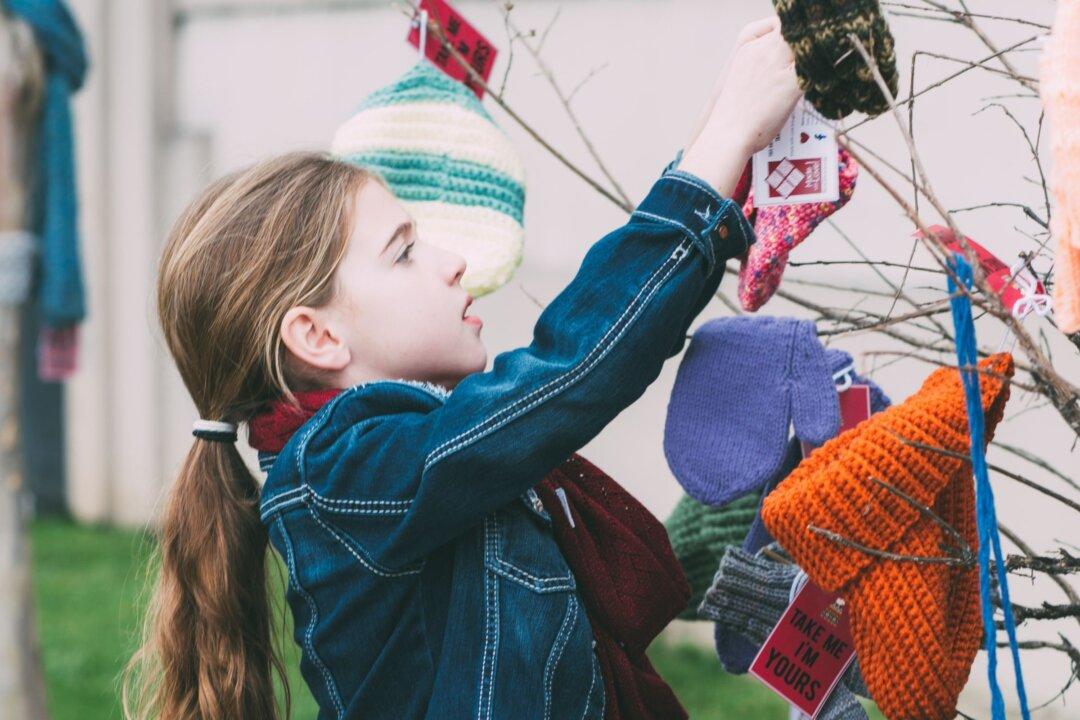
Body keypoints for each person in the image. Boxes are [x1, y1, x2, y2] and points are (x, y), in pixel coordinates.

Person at [124, 15, 800, 720]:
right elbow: (568, 373)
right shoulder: (343, 472)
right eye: (405, 251)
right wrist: (725, 139)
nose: (452, 262)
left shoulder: (404, 464)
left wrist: (727, 131)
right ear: (317, 336)